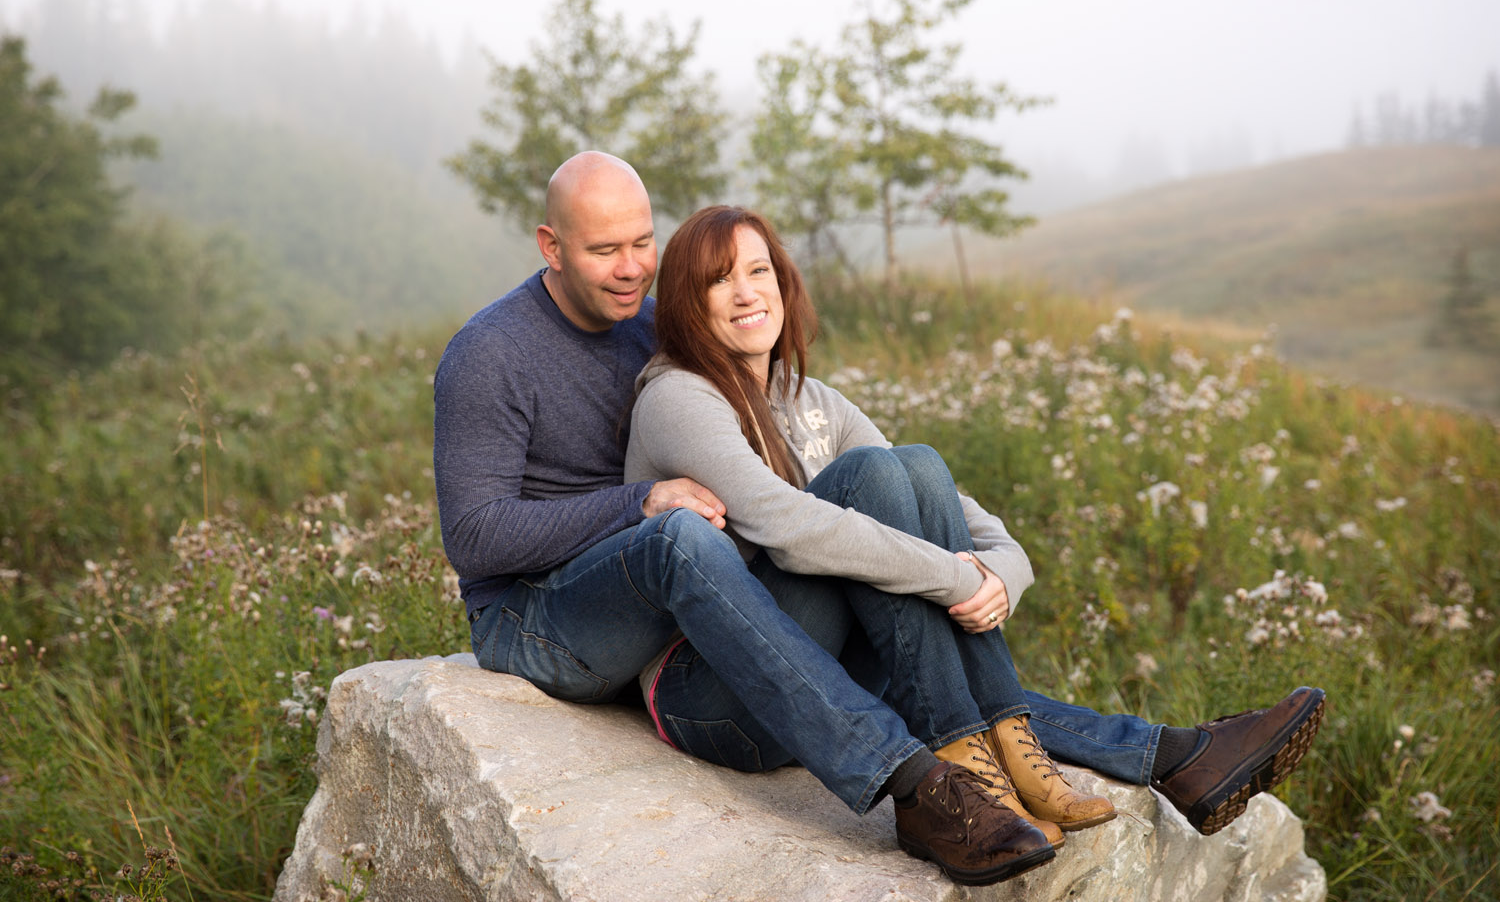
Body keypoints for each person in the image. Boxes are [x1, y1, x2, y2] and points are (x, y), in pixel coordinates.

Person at [431, 153, 1324, 884]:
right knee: (682, 537)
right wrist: (640, 498)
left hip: (686, 603)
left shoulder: (661, 322)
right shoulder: (493, 354)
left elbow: (839, 460)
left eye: (641, 245)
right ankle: (914, 781)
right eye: (603, 252)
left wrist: (989, 572)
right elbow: (473, 539)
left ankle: (1171, 754)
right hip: (544, 613)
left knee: (893, 510)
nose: (630, 269)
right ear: (551, 245)